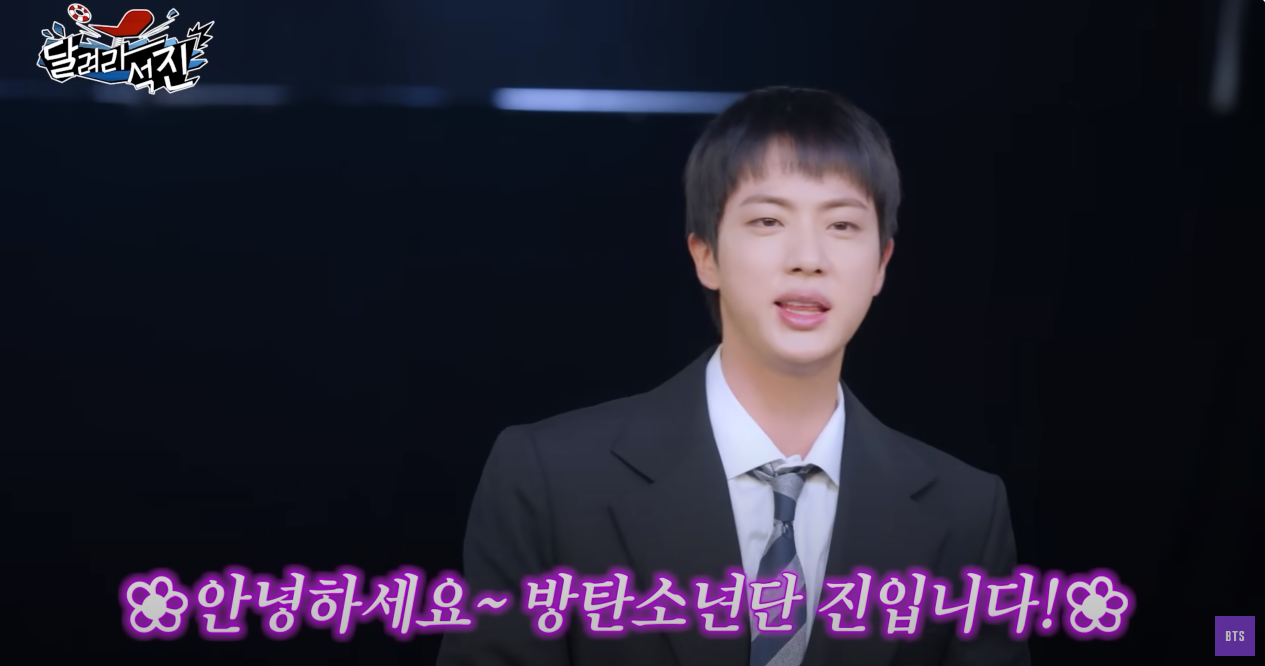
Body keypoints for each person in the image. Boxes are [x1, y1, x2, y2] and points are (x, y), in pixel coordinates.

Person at [437, 86, 1030, 666]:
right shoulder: (549, 481)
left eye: (842, 225)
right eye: (769, 220)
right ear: (706, 255)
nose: (808, 258)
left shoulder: (967, 513)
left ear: (881, 264)